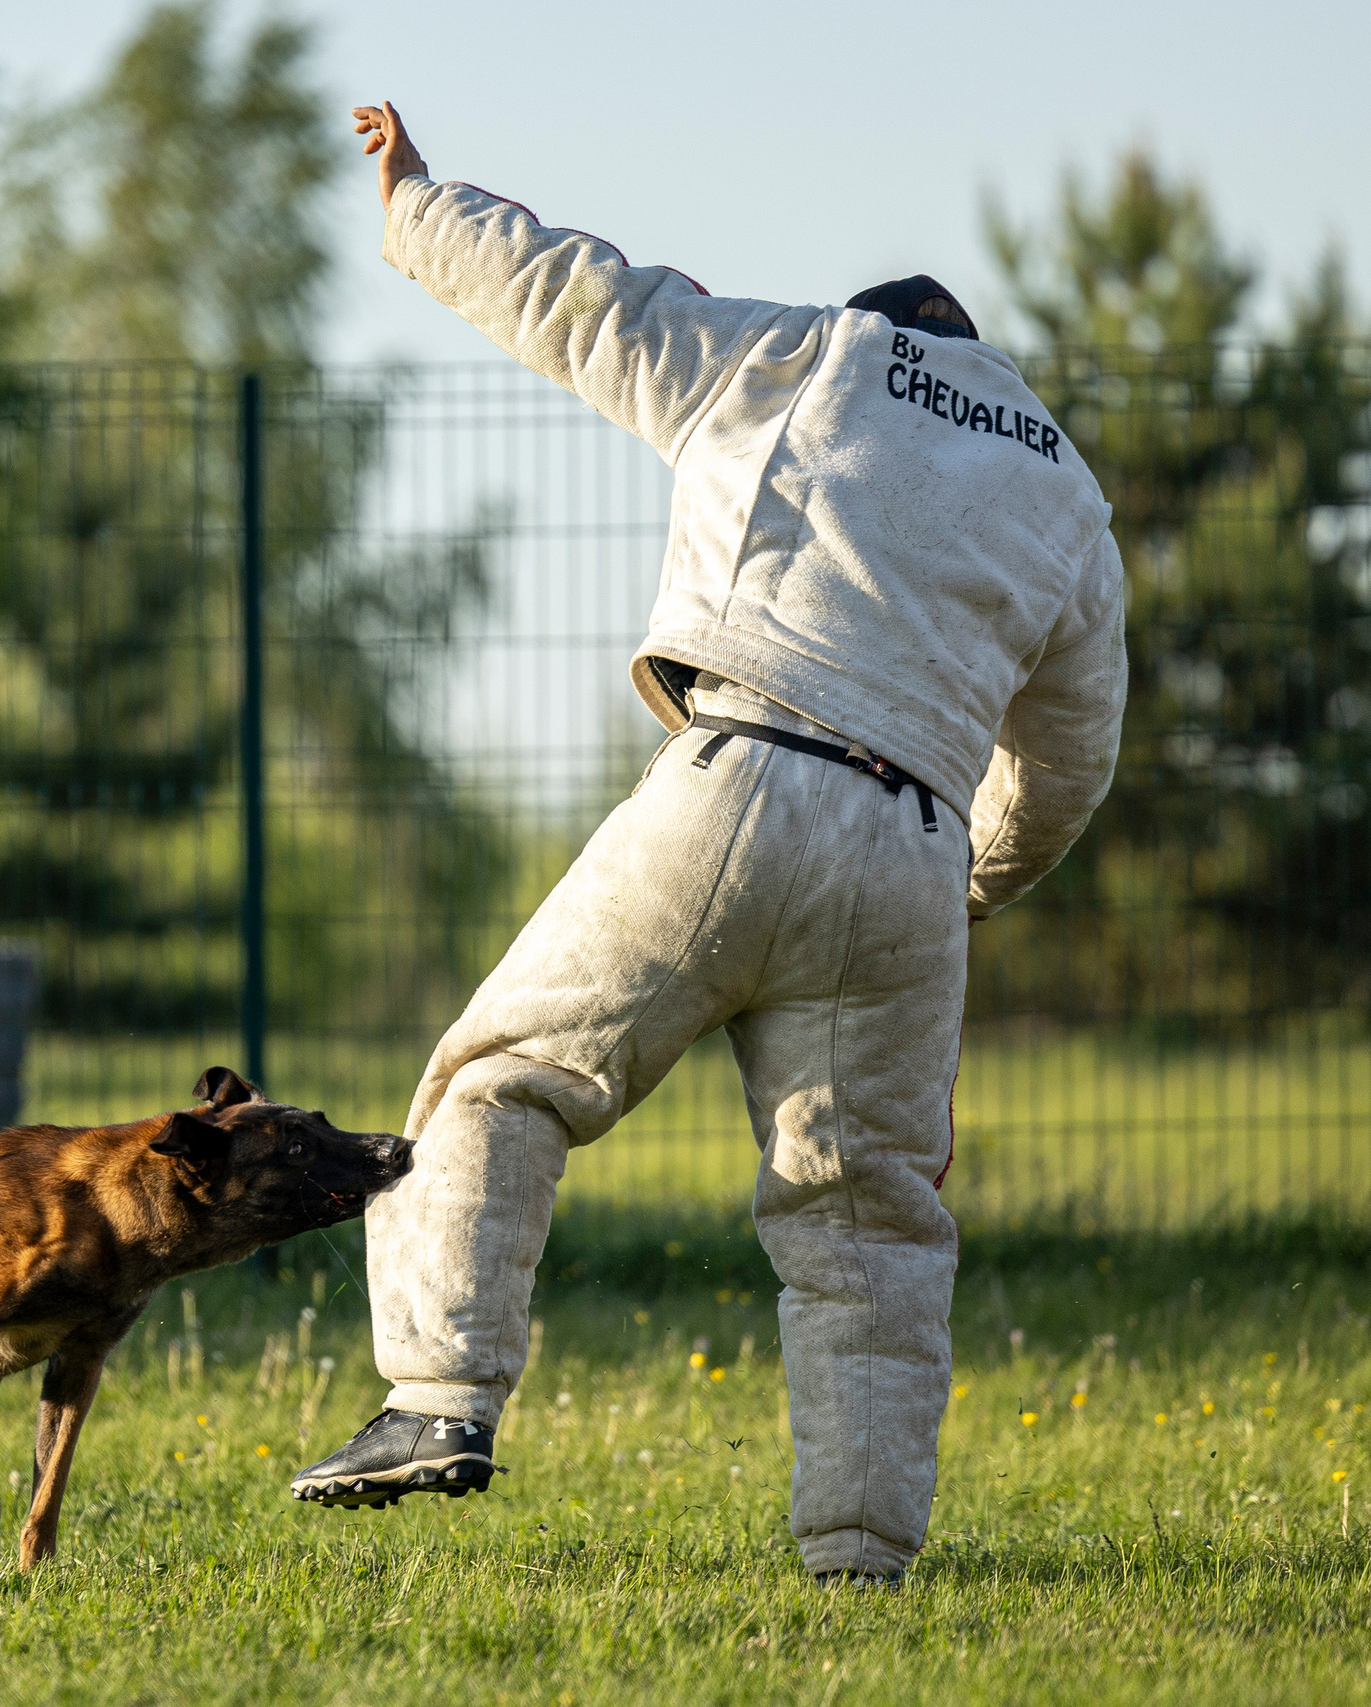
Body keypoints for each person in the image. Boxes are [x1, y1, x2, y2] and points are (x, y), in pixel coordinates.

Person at [286, 103, 1128, 1587]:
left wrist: (417, 207)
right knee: (868, 1224)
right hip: (917, 844)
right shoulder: (1064, 493)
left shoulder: (805, 356)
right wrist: (965, 885)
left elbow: (583, 300)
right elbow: (1066, 766)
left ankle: (438, 1399)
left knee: (503, 1080)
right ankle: (861, 1558)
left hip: (740, 773)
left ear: (882, 333)